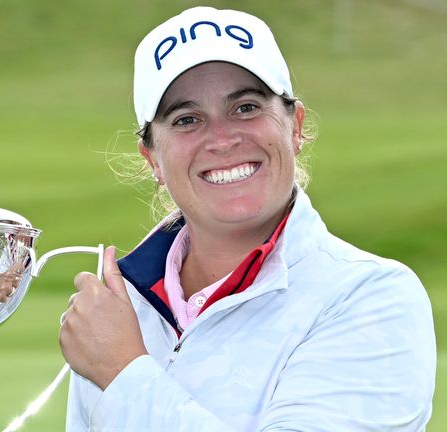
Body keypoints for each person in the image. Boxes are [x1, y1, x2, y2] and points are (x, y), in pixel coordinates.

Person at [58, 6, 436, 431]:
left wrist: (124, 373)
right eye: (187, 119)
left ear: (294, 126)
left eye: (246, 108)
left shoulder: (372, 297)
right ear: (153, 160)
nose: (222, 139)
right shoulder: (122, 307)